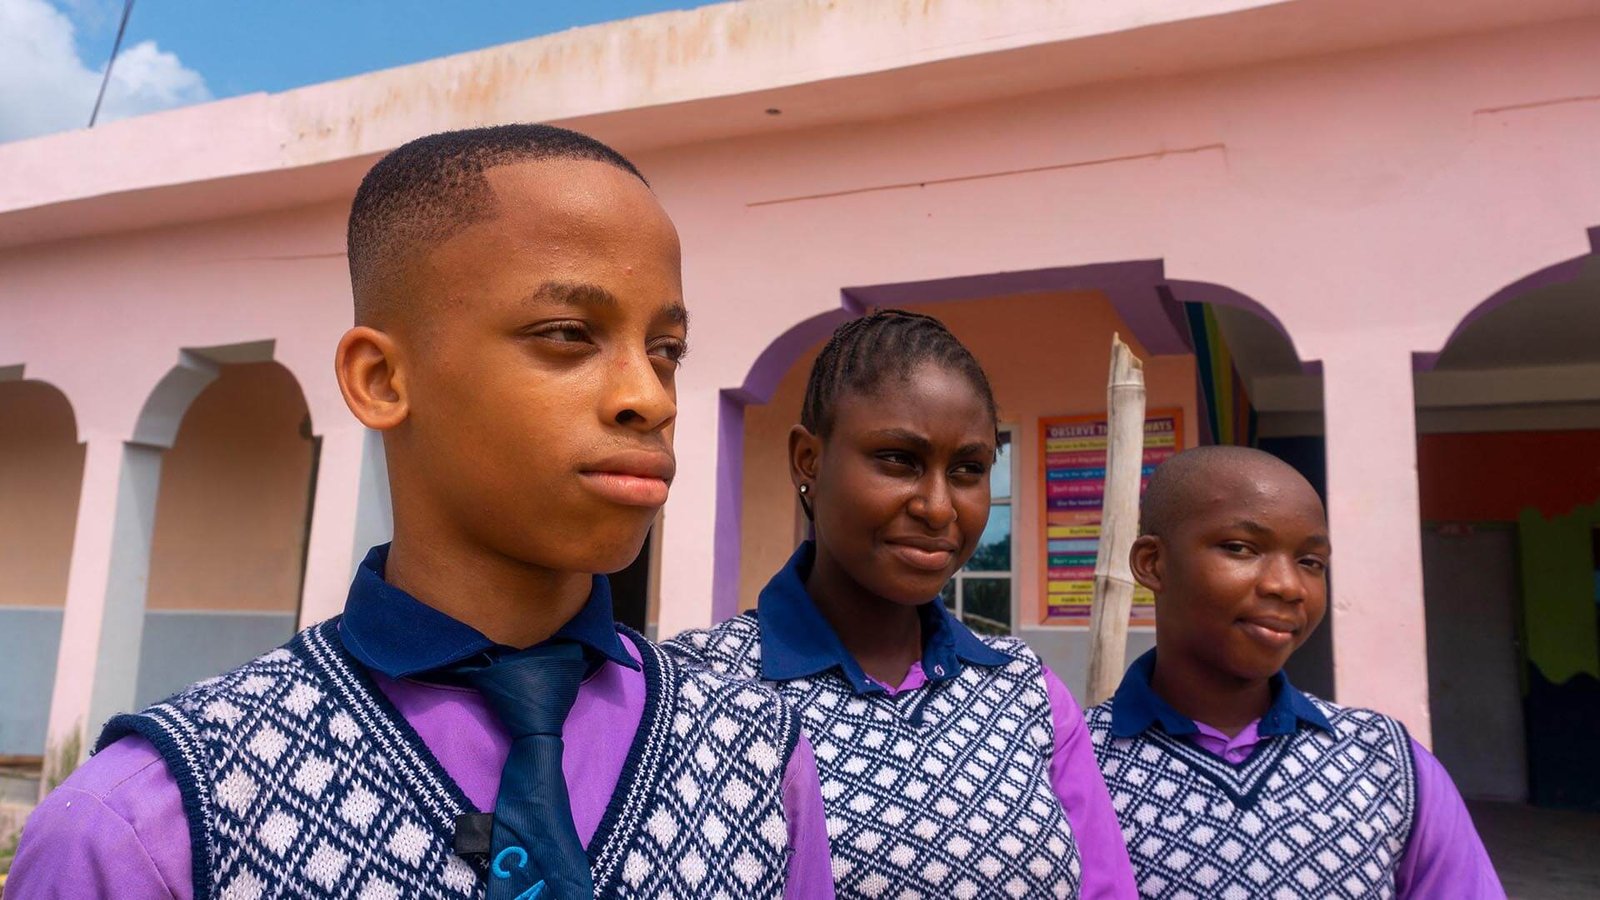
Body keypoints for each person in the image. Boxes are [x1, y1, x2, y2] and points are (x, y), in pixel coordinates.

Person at [9, 124, 833, 900]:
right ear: (381, 380)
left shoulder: (759, 756)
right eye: (567, 334)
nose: (649, 397)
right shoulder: (148, 826)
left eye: (666, 350)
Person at [664, 310, 1138, 899]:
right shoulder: (698, 688)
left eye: (968, 469)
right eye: (898, 459)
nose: (938, 507)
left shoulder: (1027, 692)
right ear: (808, 460)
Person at [1086, 445, 1504, 899]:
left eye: (1310, 563)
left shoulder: (1385, 760)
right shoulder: (1073, 763)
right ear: (1152, 562)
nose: (1287, 586)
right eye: (1241, 548)